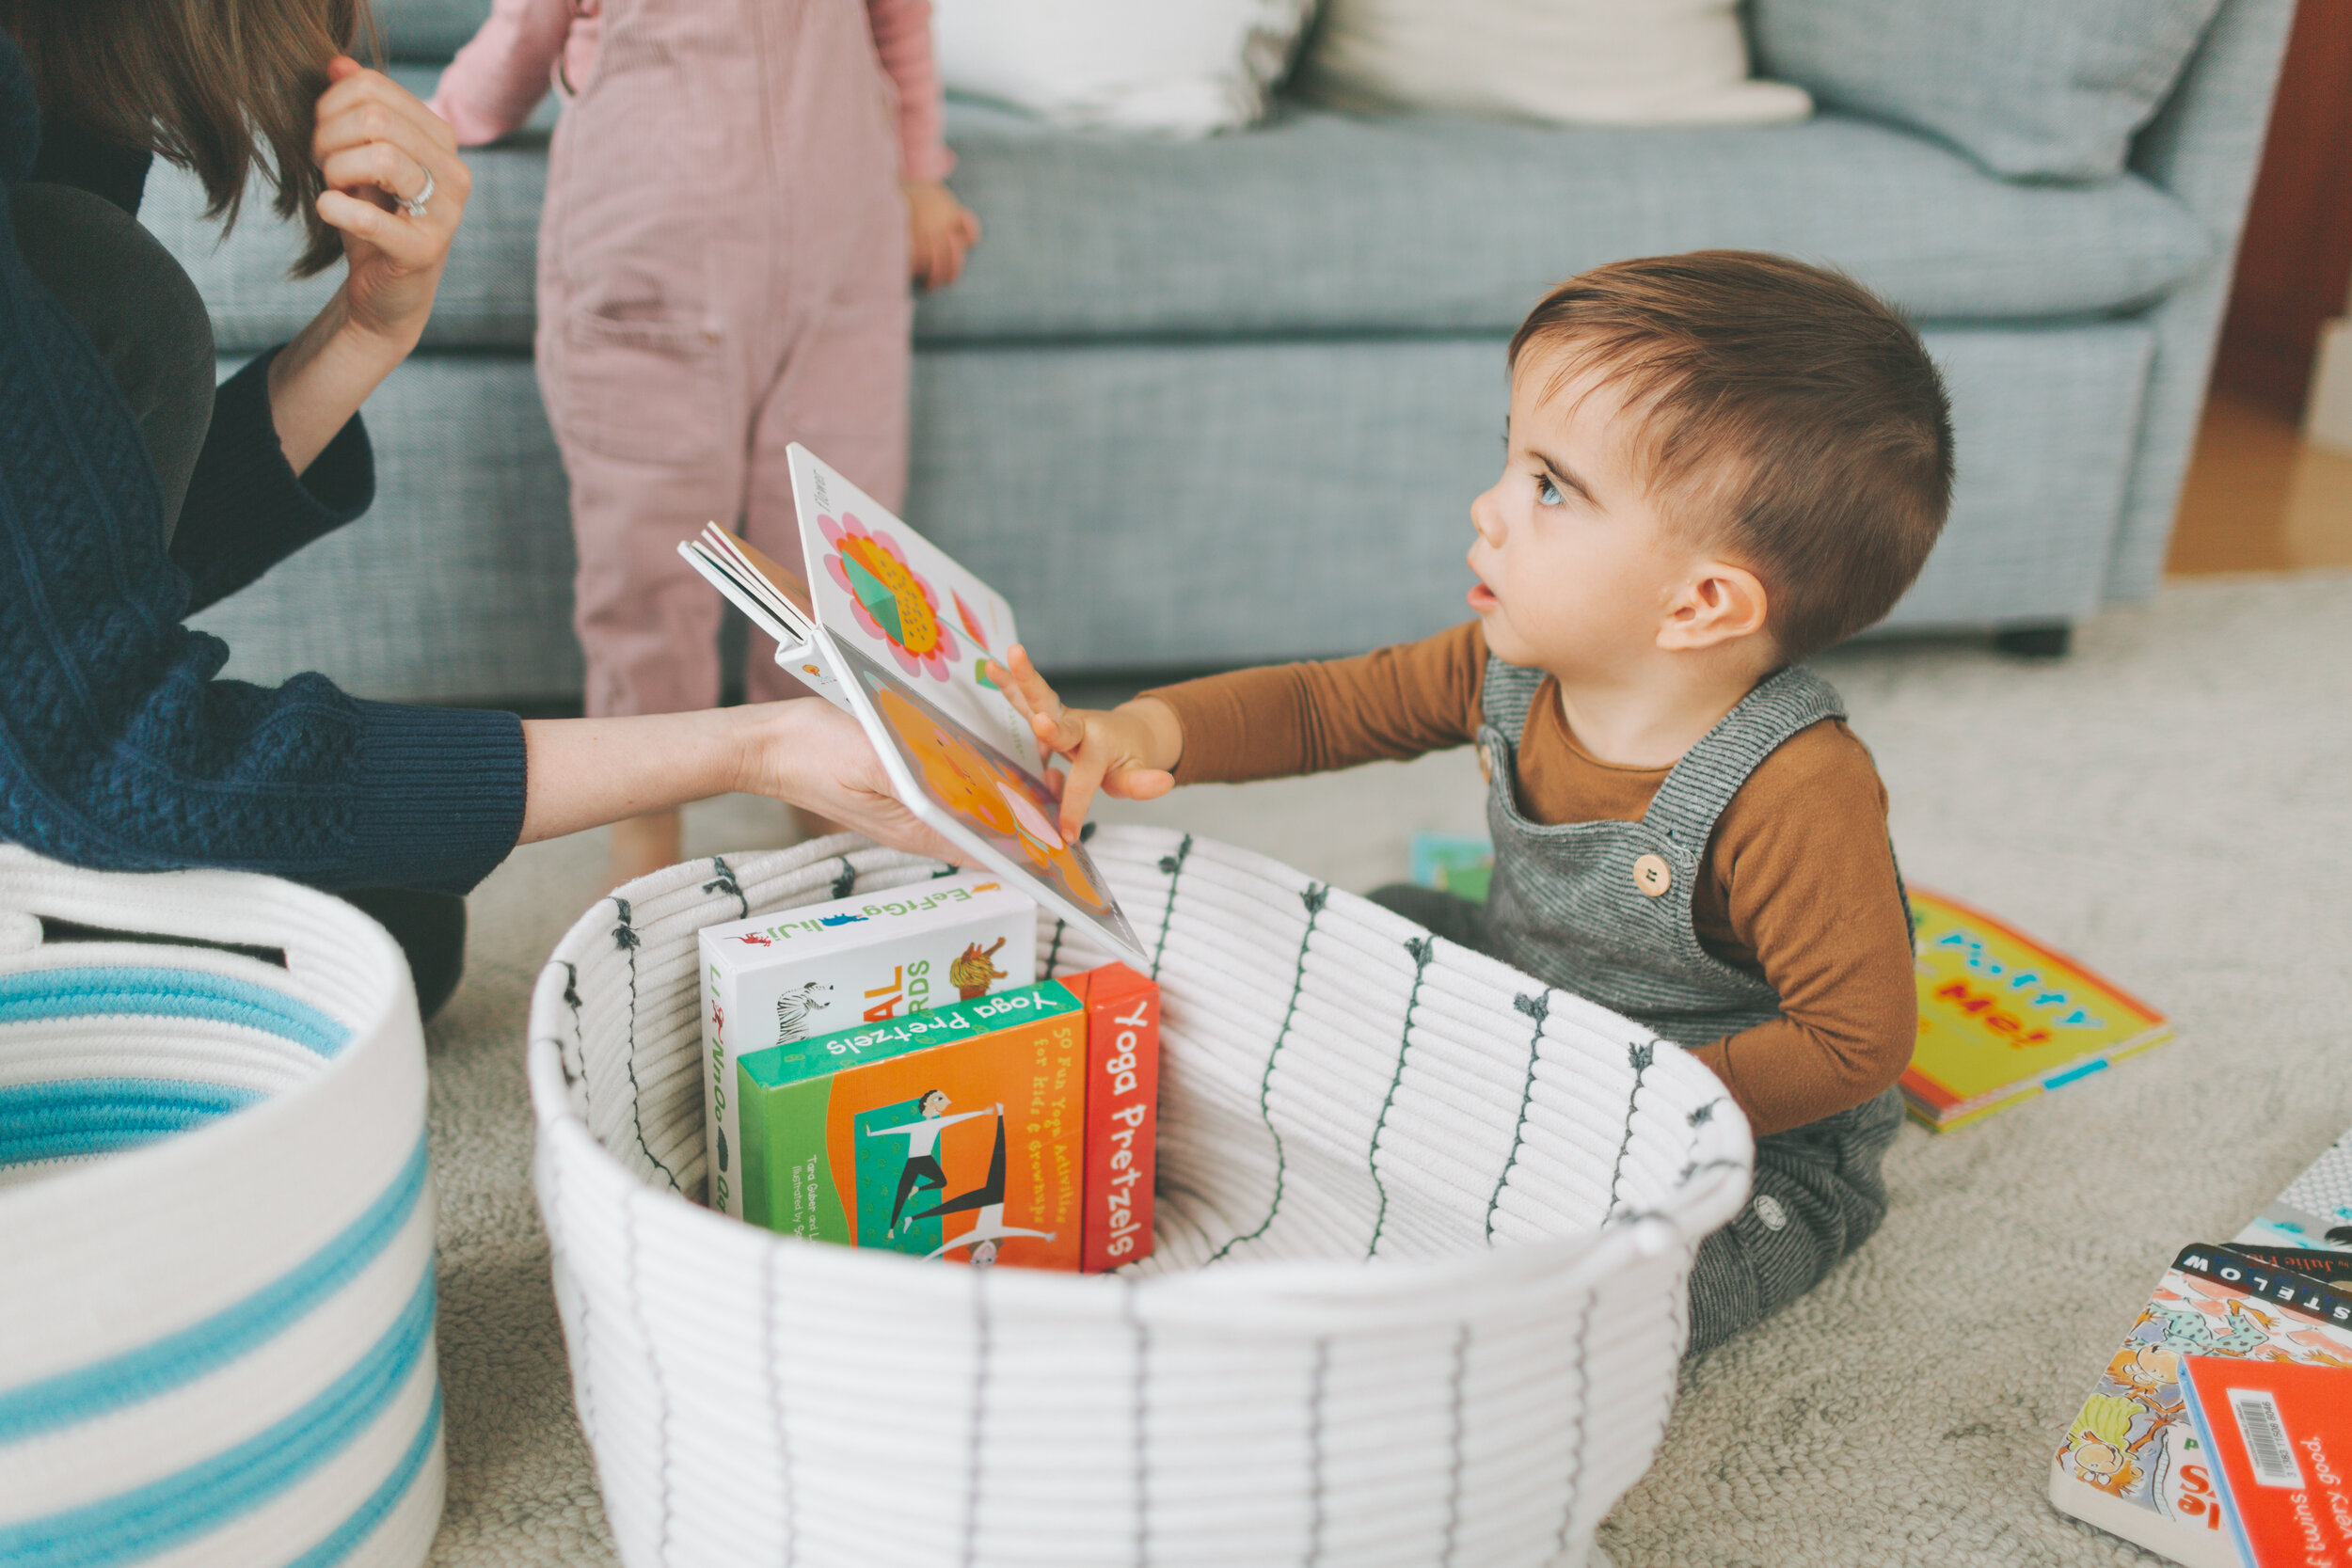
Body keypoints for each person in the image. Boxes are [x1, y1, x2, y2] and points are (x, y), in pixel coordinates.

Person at [997, 252, 1950, 1356]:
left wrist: (1605, 1100)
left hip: (1725, 1125)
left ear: (1697, 603)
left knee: (1612, 1302)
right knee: (1349, 926)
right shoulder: (1516, 664)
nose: (1489, 508)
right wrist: (1144, 732)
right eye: (1509, 458)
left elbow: (1853, 1041)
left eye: (1548, 486)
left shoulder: (1795, 786)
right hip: (1525, 990)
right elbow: (1322, 706)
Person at [0, 2, 957, 1018]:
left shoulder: (58, 118)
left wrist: (366, 330)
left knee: (394, 934)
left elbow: (69, 577)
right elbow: (109, 740)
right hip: (666, 274)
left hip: (829, 249)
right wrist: (750, 744)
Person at [428, 0, 982, 889]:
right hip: (649, 278)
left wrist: (919, 169)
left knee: (837, 552)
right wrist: (443, 119)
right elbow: (523, 33)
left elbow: (901, 26)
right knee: (648, 561)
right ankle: (645, 821)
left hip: (840, 274)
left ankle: (833, 782)